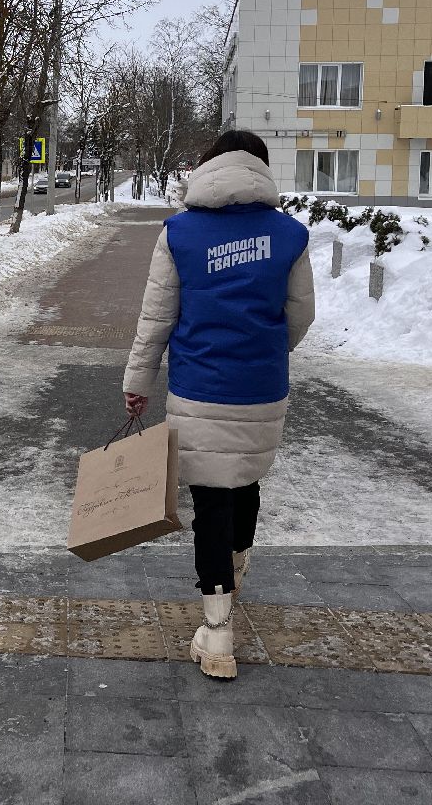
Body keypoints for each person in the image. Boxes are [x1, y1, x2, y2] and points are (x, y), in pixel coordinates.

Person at [122, 129, 314, 680]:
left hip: (199, 388)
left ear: (208, 167)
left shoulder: (179, 234)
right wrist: (265, 351)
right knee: (245, 483)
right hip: (261, 390)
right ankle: (234, 571)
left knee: (211, 500)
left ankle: (218, 629)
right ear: (261, 170)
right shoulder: (289, 235)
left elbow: (156, 318)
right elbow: (300, 316)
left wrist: (138, 380)